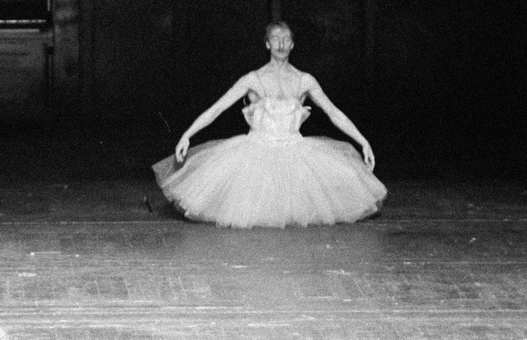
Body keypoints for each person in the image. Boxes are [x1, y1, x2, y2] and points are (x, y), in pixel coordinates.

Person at [152, 21, 386, 228]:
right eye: (276, 39)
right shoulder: (253, 79)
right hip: (256, 151)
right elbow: (217, 108)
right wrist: (187, 135)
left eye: (286, 39)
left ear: (293, 45)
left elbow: (334, 113)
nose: (281, 44)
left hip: (295, 151)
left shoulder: (304, 80)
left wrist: (362, 141)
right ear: (267, 45)